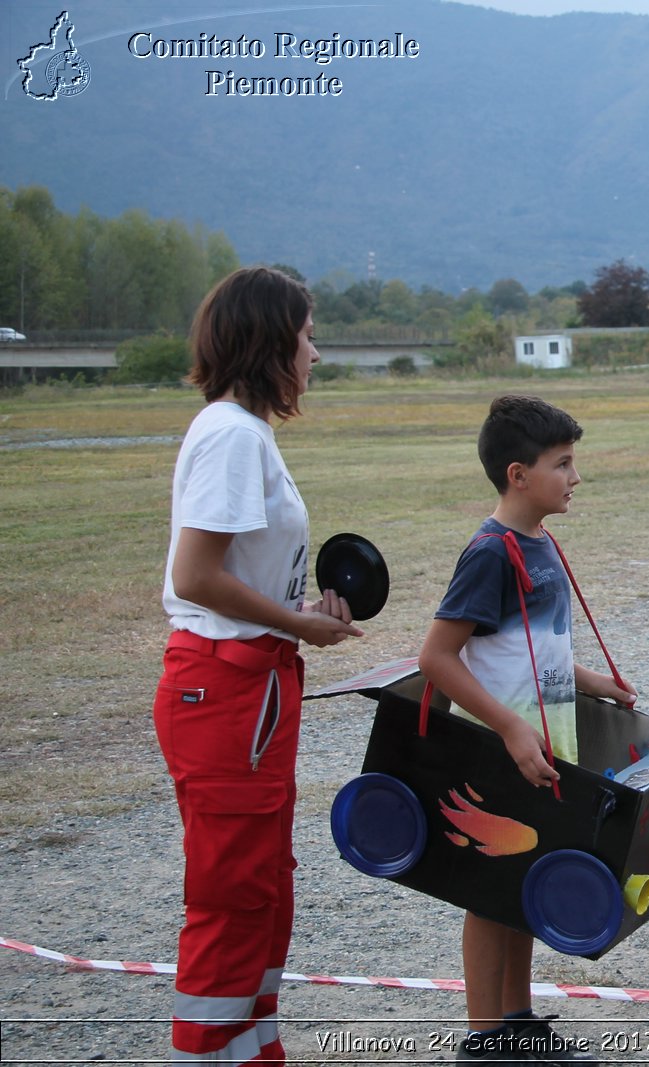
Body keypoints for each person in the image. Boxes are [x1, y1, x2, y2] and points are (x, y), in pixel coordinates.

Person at [153, 266, 363, 1064]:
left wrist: (300, 607)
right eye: (308, 334)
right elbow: (195, 576)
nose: (315, 351)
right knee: (232, 892)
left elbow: (234, 568)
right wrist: (298, 623)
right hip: (227, 683)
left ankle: (250, 1048)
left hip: (253, 678)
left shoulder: (243, 430)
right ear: (272, 340)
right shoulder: (233, 434)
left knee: (264, 883)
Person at [418, 394, 637, 1063]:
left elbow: (530, 647)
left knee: (524, 883)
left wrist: (593, 681)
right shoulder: (490, 552)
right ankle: (484, 1039)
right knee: (490, 890)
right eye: (562, 463)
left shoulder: (540, 544)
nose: (575, 476)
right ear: (518, 474)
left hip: (545, 747)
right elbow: (437, 655)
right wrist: (511, 726)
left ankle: (516, 1022)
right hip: (501, 749)